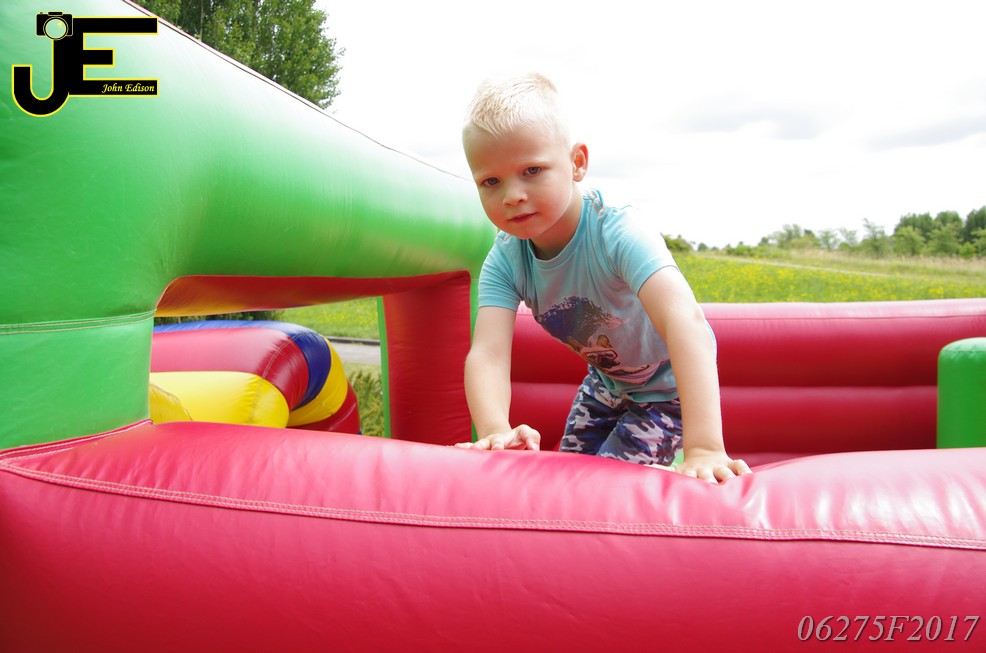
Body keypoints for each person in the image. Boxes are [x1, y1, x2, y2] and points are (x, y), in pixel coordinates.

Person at [453, 73, 751, 484]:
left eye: (532, 170)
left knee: (602, 489)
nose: (512, 195)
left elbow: (685, 321)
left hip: (668, 396)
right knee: (566, 480)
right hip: (606, 386)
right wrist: (494, 431)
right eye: (491, 181)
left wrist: (705, 448)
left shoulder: (618, 232)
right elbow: (488, 353)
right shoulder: (506, 260)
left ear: (577, 163)